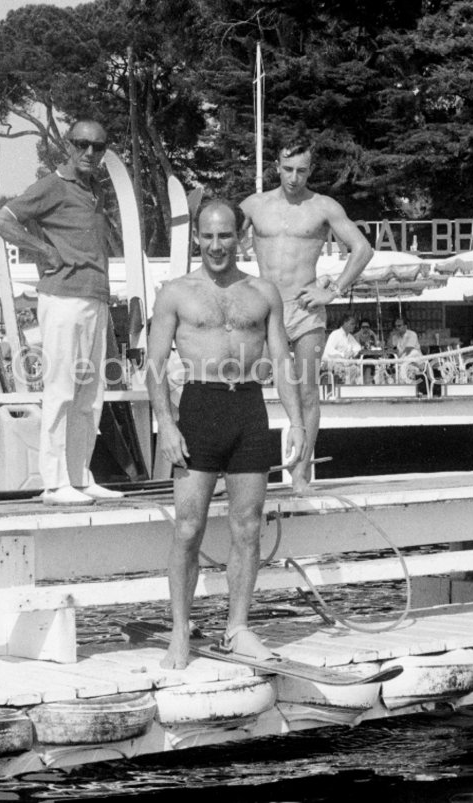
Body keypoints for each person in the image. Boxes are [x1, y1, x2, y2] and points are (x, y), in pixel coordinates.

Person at [147, 198, 307, 669]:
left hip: (248, 408)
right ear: (197, 237)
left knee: (248, 526)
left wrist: (296, 422)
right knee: (188, 528)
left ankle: (237, 627)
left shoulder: (263, 292)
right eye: (208, 236)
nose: (217, 245)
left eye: (225, 235)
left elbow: (282, 362)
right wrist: (167, 425)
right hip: (198, 408)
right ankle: (180, 629)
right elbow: (153, 367)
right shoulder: (176, 292)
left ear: (239, 237)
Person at [0, 119, 124, 506]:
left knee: (90, 395)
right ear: (67, 145)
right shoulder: (53, 185)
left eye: (98, 146)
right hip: (63, 299)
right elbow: (0, 220)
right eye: (82, 144)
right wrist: (43, 251)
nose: (90, 152)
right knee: (62, 391)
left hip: (94, 297)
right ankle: (54, 483)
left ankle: (79, 478)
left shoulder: (93, 188)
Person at [241, 132, 373, 494]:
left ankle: (300, 475)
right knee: (241, 385)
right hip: (266, 309)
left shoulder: (324, 207)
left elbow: (362, 249)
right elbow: (216, 244)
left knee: (308, 393)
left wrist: (331, 291)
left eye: (301, 170)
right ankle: (236, 471)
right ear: (276, 166)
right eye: (287, 169)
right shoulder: (254, 205)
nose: (294, 178)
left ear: (310, 169)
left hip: (304, 310)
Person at [322, 314, 362, 384]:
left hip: (342, 363)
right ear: (344, 323)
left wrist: (352, 352)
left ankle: (348, 389)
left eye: (354, 324)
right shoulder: (335, 334)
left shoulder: (349, 336)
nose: (354, 326)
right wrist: (343, 354)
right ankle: (344, 388)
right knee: (349, 369)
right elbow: (329, 350)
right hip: (330, 363)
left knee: (356, 369)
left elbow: (358, 347)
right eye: (352, 324)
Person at [355, 317, 381, 384]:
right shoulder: (356, 335)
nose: (365, 329)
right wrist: (359, 335)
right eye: (363, 327)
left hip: (372, 357)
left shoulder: (372, 335)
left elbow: (378, 346)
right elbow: (357, 348)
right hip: (360, 359)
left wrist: (374, 335)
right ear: (360, 328)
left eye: (367, 327)